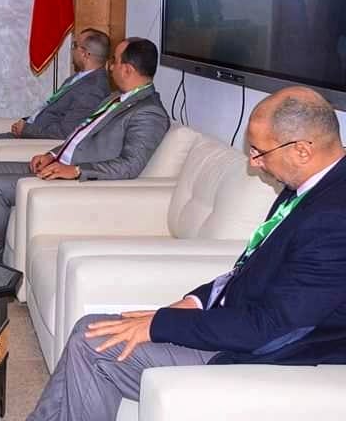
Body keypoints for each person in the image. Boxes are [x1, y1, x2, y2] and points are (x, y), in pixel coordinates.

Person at [27, 86, 346, 420]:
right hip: (237, 324)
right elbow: (248, 270)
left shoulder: (334, 219)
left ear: (302, 151)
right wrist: (195, 302)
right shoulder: (309, 184)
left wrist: (161, 325)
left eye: (259, 152)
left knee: (94, 346)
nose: (254, 162)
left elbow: (271, 327)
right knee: (91, 328)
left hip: (263, 353)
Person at [0, 38, 170, 262]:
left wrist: (77, 170)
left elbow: (130, 165)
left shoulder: (149, 113)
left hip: (76, 178)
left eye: (115, 61)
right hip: (57, 164)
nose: (110, 67)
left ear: (127, 69)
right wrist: (51, 154)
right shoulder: (116, 97)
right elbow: (80, 135)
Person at [0, 28, 112, 217]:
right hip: (30, 129)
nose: (72, 50)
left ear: (85, 54)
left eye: (74, 46)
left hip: (37, 138)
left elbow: (65, 132)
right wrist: (26, 122)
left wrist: (27, 130)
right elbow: (52, 110)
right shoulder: (79, 78)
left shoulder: (93, 88)